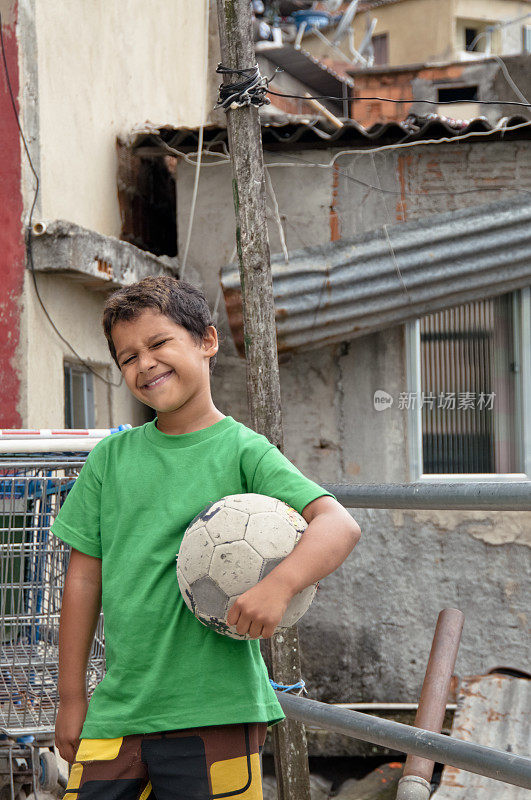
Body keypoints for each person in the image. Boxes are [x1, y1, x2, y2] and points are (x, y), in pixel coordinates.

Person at [53, 275, 361, 799]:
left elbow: (339, 525)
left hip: (216, 709)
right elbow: (83, 578)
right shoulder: (110, 459)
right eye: (127, 357)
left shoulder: (245, 451)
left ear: (207, 341)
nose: (144, 363)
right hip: (119, 708)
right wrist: (71, 697)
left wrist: (279, 585)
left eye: (158, 343)